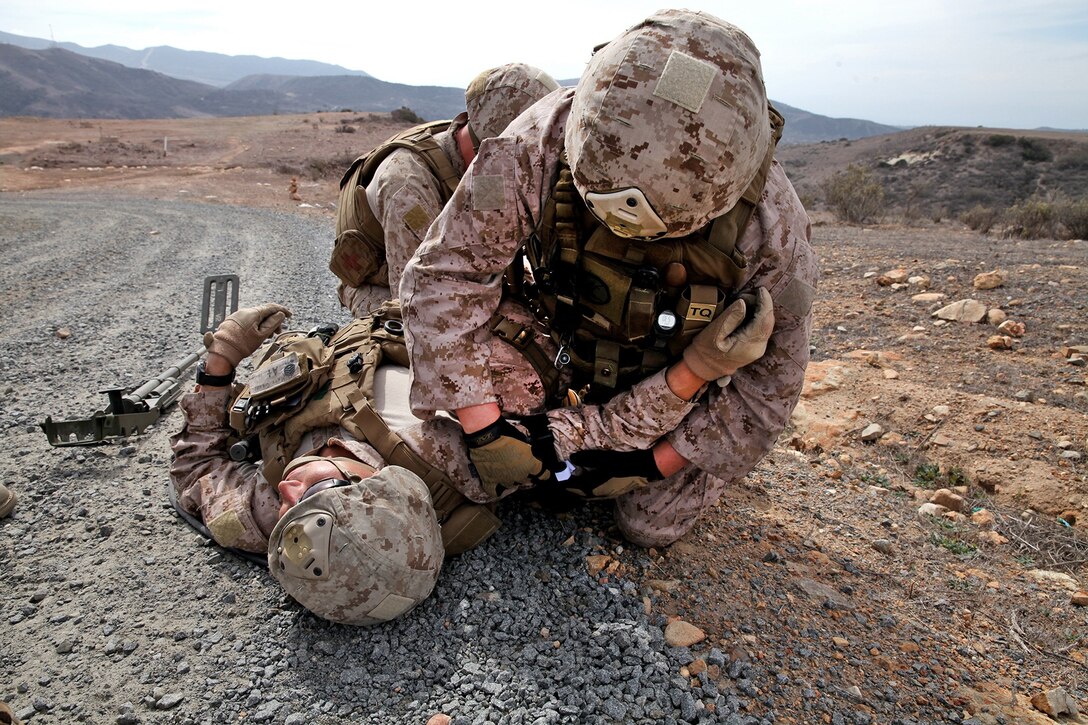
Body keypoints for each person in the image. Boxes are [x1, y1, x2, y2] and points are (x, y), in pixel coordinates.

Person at [400, 9, 818, 548]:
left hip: (673, 384)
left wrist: (650, 464)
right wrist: (488, 431)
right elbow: (445, 274)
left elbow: (768, 391)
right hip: (561, 343)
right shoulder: (541, 140)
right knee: (484, 461)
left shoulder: (772, 232)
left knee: (648, 524)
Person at [170, 298, 753, 625]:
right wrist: (694, 371)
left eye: (290, 510)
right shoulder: (464, 459)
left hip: (384, 315)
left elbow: (197, 473)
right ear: (373, 485)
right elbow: (600, 429)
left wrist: (218, 365)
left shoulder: (295, 531)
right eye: (313, 499)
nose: (286, 493)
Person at [332, 63, 560, 318]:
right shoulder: (406, 186)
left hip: (452, 270)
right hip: (381, 288)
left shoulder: (484, 162)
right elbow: (416, 299)